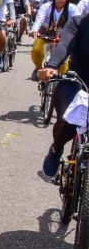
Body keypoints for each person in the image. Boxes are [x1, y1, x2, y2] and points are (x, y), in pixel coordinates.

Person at [38, 15, 89, 177]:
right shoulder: (79, 22)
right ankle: (56, 149)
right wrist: (52, 66)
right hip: (77, 80)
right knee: (66, 122)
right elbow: (64, 45)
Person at [29, 0, 79, 77]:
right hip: (45, 34)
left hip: (64, 38)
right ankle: (38, 68)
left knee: (64, 63)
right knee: (36, 51)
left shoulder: (73, 9)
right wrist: (34, 30)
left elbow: (76, 23)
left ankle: (61, 79)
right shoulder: (45, 6)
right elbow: (39, 19)